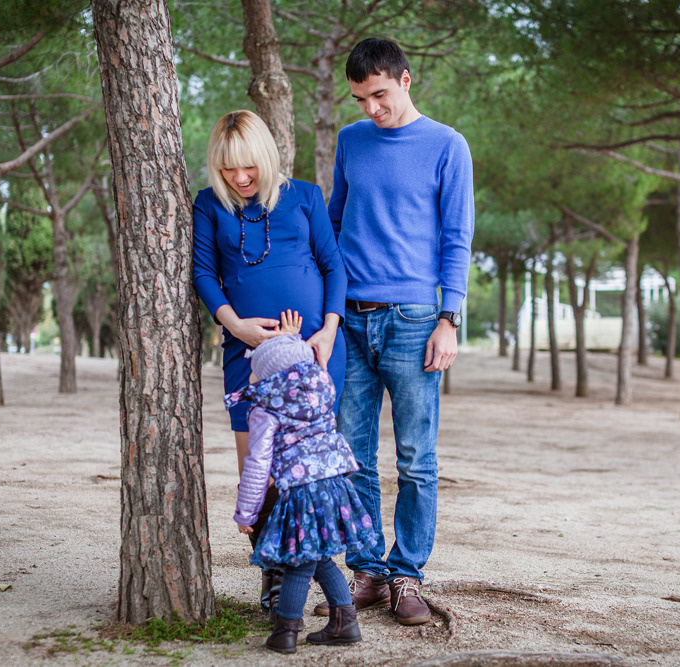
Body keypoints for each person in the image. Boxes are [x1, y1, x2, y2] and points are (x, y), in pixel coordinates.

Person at [319, 37, 474, 626]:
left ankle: (407, 574)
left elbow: (457, 239)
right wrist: (326, 312)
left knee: (415, 457)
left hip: (414, 320)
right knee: (352, 454)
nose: (371, 108)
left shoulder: (447, 145)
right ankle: (367, 571)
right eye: (360, 99)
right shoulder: (351, 140)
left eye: (380, 95)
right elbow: (334, 222)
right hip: (350, 319)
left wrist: (449, 319)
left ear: (406, 80)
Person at [192, 109, 347, 616]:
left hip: (316, 354)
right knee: (257, 464)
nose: (239, 177)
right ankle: (275, 574)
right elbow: (204, 273)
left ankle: (319, 576)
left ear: (265, 156)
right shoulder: (209, 204)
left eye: (249, 166)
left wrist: (329, 329)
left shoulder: (305, 196)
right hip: (247, 355)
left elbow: (333, 265)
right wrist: (236, 326)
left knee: (308, 468)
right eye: (228, 167)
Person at [225, 333, 378, 653]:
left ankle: (286, 632)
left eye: (256, 369)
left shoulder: (266, 410)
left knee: (297, 563)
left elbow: (258, 463)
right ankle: (345, 623)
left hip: (302, 496)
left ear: (271, 374)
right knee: (319, 557)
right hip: (335, 489)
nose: (252, 376)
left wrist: (247, 512)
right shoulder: (321, 393)